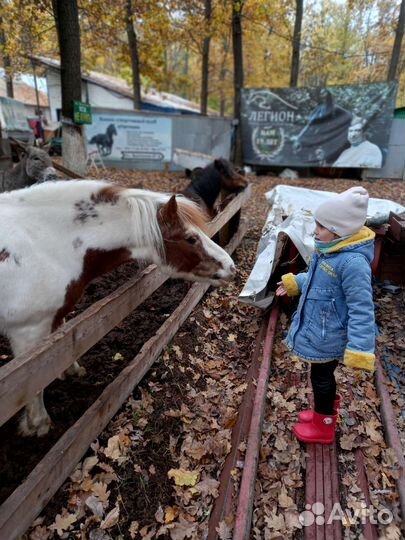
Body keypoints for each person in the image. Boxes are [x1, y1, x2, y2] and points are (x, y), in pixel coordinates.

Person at [276, 187, 376, 444]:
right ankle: (324, 414)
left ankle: (324, 427)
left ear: (339, 230)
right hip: (322, 329)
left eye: (320, 226)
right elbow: (317, 280)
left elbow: (362, 307)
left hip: (330, 333)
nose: (314, 231)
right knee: (320, 376)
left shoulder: (353, 263)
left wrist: (360, 348)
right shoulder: (331, 250)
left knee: (321, 378)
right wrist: (295, 282)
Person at [291, 88, 352, 164]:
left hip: (332, 139)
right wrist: (300, 138)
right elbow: (309, 125)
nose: (322, 95)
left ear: (329, 94)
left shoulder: (335, 109)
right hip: (319, 139)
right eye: (321, 93)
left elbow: (349, 116)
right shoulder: (317, 110)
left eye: (324, 93)